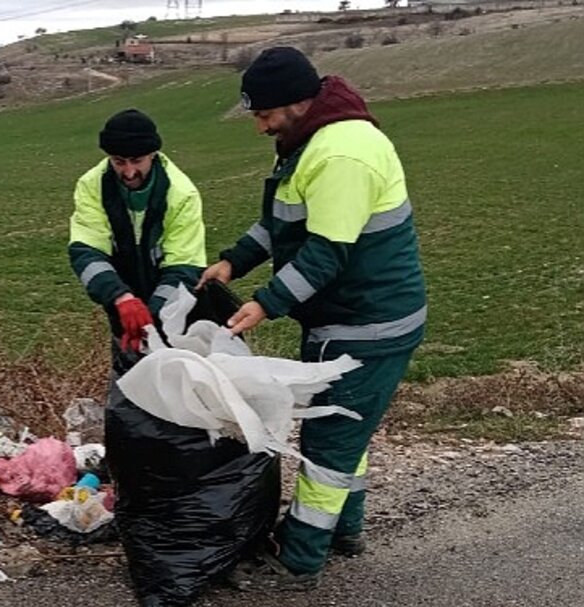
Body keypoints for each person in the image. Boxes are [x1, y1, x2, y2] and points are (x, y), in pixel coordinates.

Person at [199, 47, 427, 590]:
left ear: (297, 102)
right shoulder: (306, 142)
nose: (260, 127)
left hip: (366, 326)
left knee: (328, 446)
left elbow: (327, 253)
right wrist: (233, 262)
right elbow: (281, 226)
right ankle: (346, 530)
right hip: (349, 318)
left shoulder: (340, 156)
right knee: (348, 432)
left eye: (264, 115)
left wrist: (266, 304)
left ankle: (299, 558)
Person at [68, 108, 206, 375]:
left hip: (171, 314)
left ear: (153, 155)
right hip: (122, 305)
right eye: (119, 162)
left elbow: (184, 266)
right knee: (129, 388)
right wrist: (120, 297)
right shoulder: (91, 185)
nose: (129, 172)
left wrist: (151, 322)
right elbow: (86, 251)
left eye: (136, 161)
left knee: (173, 387)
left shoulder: (181, 193)